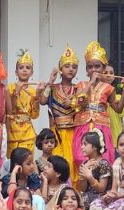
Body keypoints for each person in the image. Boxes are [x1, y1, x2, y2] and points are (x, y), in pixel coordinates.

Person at [72, 41, 124, 165]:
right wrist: (91, 83)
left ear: (103, 69)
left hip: (102, 126)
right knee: (80, 158)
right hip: (83, 125)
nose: (93, 69)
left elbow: (118, 109)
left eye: (97, 66)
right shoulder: (81, 85)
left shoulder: (108, 88)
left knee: (103, 158)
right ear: (86, 70)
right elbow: (79, 102)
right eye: (90, 67)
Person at [39, 45, 79, 183]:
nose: (71, 69)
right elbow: (42, 101)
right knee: (56, 164)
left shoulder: (78, 89)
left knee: (72, 162)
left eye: (74, 67)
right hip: (56, 133)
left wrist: (74, 102)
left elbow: (83, 106)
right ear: (60, 69)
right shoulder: (53, 88)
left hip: (72, 132)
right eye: (67, 66)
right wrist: (50, 81)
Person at [7, 49, 40, 155]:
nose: (24, 70)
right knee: (13, 161)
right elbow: (9, 110)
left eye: (28, 68)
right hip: (12, 132)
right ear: (16, 72)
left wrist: (37, 96)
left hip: (28, 133)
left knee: (27, 161)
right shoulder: (10, 87)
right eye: (21, 68)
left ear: (32, 72)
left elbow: (34, 115)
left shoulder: (33, 90)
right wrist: (16, 92)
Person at [76, 130, 111, 210]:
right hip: (86, 197)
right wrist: (83, 176)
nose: (82, 147)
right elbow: (82, 189)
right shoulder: (85, 164)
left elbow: (101, 189)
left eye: (85, 144)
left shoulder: (103, 163)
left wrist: (89, 176)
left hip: (100, 199)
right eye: (81, 144)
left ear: (95, 146)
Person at [103, 65, 124, 144]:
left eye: (111, 73)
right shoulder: (96, 97)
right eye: (105, 73)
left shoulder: (119, 96)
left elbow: (121, 121)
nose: (108, 75)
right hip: (102, 138)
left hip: (116, 138)